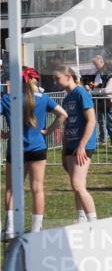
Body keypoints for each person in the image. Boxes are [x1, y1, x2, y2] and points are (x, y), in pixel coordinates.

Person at [3, 68, 68, 236]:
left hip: (16, 148)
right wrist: (48, 131)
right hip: (37, 147)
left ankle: (10, 228)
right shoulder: (43, 98)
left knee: (11, 188)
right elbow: (63, 114)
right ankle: (36, 228)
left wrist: (2, 133)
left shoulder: (8, 98)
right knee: (37, 189)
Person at [53, 65, 99, 222]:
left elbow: (91, 121)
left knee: (78, 184)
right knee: (77, 186)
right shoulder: (66, 99)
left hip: (82, 146)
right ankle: (81, 218)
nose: (55, 82)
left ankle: (93, 221)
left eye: (57, 78)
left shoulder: (81, 93)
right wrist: (64, 150)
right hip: (71, 146)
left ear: (68, 76)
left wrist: (82, 146)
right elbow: (66, 125)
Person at [90, 53, 112, 147]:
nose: (96, 67)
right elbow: (105, 87)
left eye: (96, 64)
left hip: (110, 102)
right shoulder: (106, 76)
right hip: (106, 102)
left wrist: (93, 92)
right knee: (109, 123)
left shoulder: (111, 76)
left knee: (111, 123)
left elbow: (108, 90)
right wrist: (98, 86)